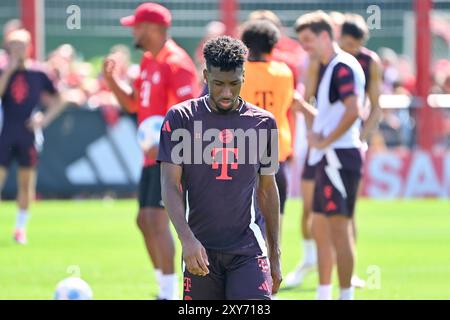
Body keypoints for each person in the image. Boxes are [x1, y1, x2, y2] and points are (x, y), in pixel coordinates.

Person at [158, 36, 282, 300]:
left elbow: (268, 190)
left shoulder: (263, 124)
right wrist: (186, 240)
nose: (226, 92)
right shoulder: (181, 118)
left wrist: (276, 254)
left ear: (244, 77)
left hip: (248, 250)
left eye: (234, 84)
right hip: (199, 249)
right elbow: (169, 185)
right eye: (218, 84)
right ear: (205, 75)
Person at [102, 2, 199, 300]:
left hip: (172, 157)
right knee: (144, 221)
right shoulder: (147, 60)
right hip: (151, 156)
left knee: (157, 221)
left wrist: (173, 147)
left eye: (137, 25)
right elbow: (133, 104)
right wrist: (111, 82)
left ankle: (171, 293)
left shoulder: (177, 63)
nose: (133, 30)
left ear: (153, 28)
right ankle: (163, 289)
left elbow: (191, 113)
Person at [294, 11, 366, 300]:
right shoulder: (328, 67)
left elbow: (353, 111)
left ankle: (345, 295)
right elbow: (330, 116)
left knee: (339, 229)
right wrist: (306, 112)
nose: (305, 46)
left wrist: (325, 140)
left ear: (325, 35)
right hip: (328, 156)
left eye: (309, 40)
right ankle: (324, 293)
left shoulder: (341, 67)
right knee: (320, 227)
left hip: (339, 156)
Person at [0, 29, 63, 244]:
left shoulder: (40, 72)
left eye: (21, 45)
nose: (17, 50)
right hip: (4, 132)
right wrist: (8, 71)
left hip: (27, 133)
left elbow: (58, 99)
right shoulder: (2, 69)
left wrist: (43, 119)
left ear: (29, 47)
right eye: (13, 45)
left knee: (26, 183)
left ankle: (20, 228)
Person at [239, 20, 294, 223]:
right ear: (273, 45)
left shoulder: (239, 72)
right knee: (274, 223)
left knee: (246, 221)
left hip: (245, 152)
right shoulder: (284, 73)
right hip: (276, 151)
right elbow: (287, 104)